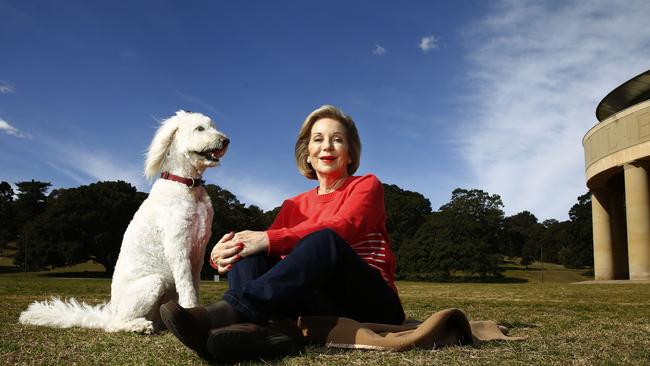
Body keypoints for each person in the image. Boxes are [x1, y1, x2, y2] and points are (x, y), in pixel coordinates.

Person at [160, 105, 405, 362]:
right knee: (251, 252)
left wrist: (266, 239)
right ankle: (256, 332)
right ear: (307, 154)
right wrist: (225, 250)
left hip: (370, 301)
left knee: (324, 240)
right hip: (318, 302)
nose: (328, 146)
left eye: (338, 140)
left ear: (351, 154)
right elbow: (261, 244)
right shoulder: (293, 205)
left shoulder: (366, 185)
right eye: (318, 139)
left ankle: (226, 314)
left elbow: (347, 225)